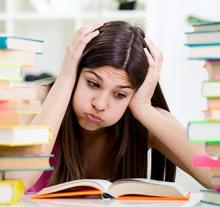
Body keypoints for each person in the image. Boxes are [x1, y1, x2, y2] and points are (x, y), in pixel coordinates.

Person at [7, 21, 211, 192]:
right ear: (76, 70)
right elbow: (16, 181)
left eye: (120, 94)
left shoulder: (140, 120)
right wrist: (65, 81)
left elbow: (215, 177)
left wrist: (143, 107)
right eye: (93, 83)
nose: (100, 104)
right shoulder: (36, 102)